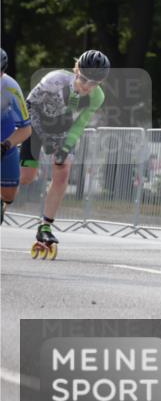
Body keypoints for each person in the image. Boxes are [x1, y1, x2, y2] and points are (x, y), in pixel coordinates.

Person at [19, 50, 110, 257]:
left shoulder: (98, 97)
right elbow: (28, 107)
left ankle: (46, 226)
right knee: (27, 178)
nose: (87, 86)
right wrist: (42, 138)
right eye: (84, 79)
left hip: (62, 130)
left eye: (94, 83)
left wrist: (65, 147)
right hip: (36, 124)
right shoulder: (54, 80)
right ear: (76, 70)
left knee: (62, 171)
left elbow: (80, 124)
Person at [1, 47, 32, 223]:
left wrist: (5, 145)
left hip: (5, 142)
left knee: (9, 195)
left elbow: (26, 129)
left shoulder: (11, 87)